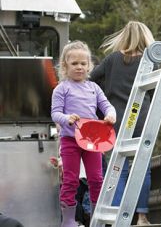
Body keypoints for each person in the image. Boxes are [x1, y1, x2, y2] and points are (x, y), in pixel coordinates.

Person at [90, 21, 153, 226]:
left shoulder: (112, 60)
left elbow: (91, 80)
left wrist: (101, 104)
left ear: (124, 37)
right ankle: (142, 216)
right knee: (142, 167)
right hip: (142, 119)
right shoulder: (151, 61)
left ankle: (117, 216)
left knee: (118, 168)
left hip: (116, 120)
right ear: (145, 38)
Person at [51, 40, 116, 227]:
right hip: (70, 140)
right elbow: (55, 113)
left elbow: (107, 105)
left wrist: (111, 115)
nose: (79, 67)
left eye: (83, 63)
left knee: (96, 178)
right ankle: (69, 219)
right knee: (70, 180)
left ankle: (97, 217)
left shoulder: (94, 88)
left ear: (89, 65)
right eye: (74, 63)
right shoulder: (61, 89)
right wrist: (66, 118)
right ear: (65, 66)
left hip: (92, 141)